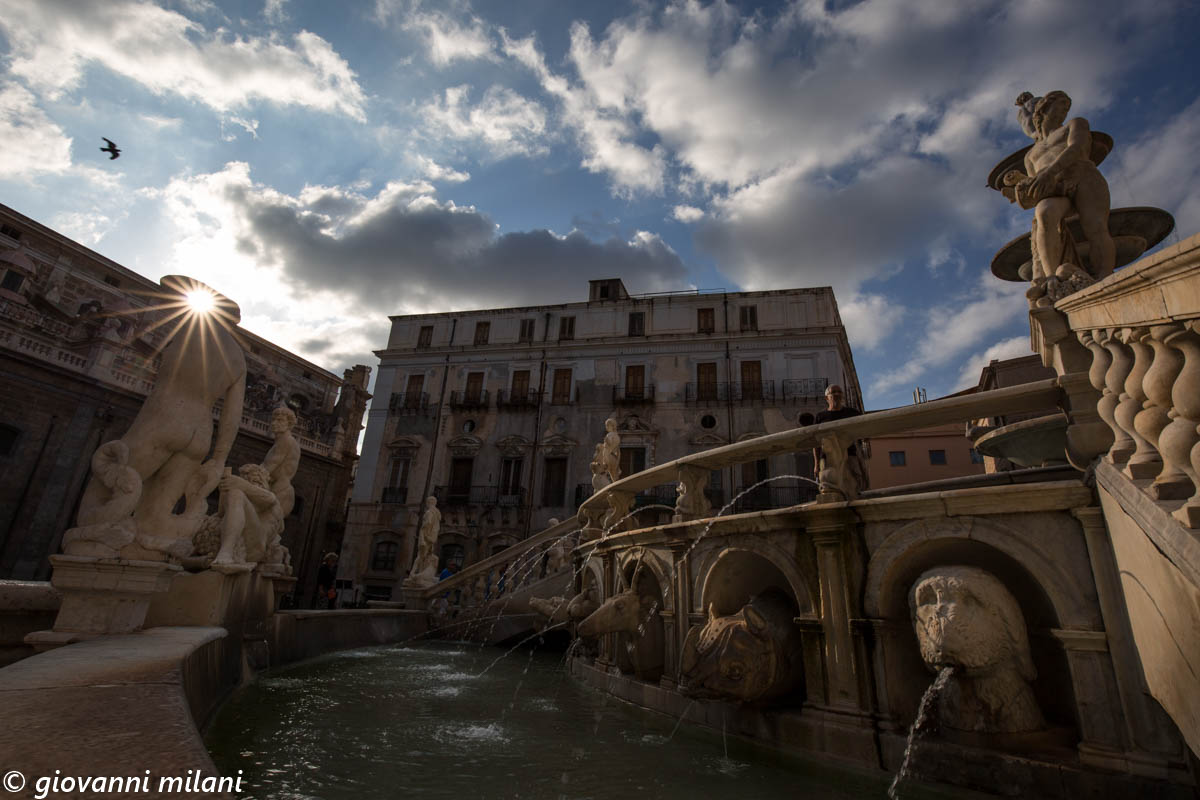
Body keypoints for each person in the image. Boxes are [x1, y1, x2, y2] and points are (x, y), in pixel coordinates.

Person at [1002, 90, 1114, 283]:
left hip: (1083, 176)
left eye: (1066, 108)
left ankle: (1105, 276)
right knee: (1044, 213)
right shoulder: (1031, 155)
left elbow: (1077, 148)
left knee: (1096, 227)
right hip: (1055, 186)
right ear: (1044, 109)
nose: (1064, 111)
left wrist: (1048, 172)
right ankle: (1052, 277)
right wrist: (1020, 189)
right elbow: (1035, 182)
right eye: (1061, 106)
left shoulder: (1075, 124)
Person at [812, 385, 867, 493]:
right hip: (827, 459)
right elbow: (815, 443)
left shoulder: (853, 413)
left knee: (854, 486)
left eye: (839, 392)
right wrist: (816, 464)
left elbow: (865, 430)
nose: (837, 394)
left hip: (850, 455)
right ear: (827, 398)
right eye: (833, 392)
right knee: (829, 487)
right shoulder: (820, 416)